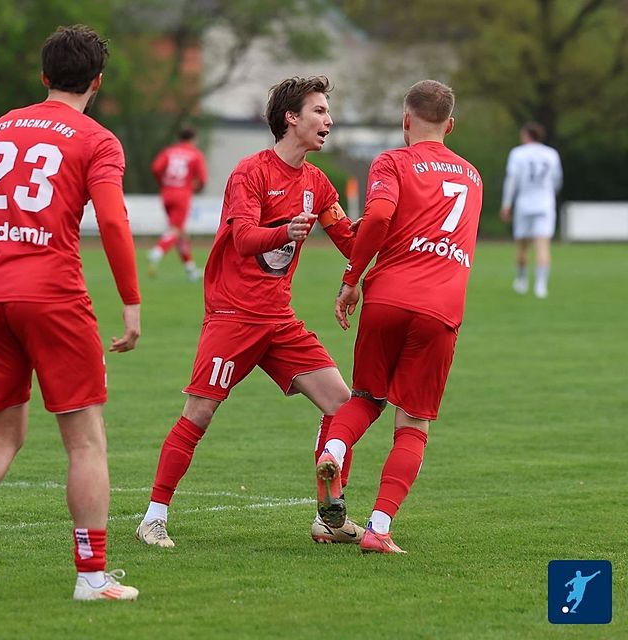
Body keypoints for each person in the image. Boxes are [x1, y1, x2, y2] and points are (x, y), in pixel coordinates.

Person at [0, 24, 142, 601]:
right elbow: (114, 221)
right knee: (85, 441)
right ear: (96, 81)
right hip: (51, 293)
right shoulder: (96, 139)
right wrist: (130, 302)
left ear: (44, 77)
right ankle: (92, 578)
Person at [135, 76, 366, 550]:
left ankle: (329, 514)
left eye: (328, 112)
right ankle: (153, 517)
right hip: (233, 316)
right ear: (291, 118)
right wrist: (285, 230)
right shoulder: (250, 173)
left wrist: (388, 224)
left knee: (343, 406)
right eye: (319, 111)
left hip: (279, 320)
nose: (329, 120)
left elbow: (349, 240)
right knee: (198, 413)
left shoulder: (318, 184)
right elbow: (242, 238)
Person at [316, 79, 483, 554]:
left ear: (405, 119)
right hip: (442, 308)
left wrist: (352, 278)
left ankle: (332, 451)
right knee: (413, 423)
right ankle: (379, 527)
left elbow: (380, 217)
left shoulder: (392, 160)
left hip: (388, 297)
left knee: (366, 396)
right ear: (450, 125)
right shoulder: (473, 176)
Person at [499, 122, 562, 298]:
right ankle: (541, 286)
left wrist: (506, 204)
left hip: (524, 204)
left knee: (522, 246)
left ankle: (522, 281)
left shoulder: (518, 153)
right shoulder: (551, 154)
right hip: (545, 204)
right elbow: (557, 180)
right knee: (543, 246)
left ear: (527, 136)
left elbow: (511, 180)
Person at [147, 127, 208, 281]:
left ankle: (190, 270)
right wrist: (195, 188)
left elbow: (156, 168)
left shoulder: (169, 151)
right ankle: (158, 251)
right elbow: (202, 179)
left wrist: (163, 183)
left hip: (167, 193)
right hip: (182, 195)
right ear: (193, 139)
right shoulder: (195, 154)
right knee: (175, 230)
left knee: (181, 233)